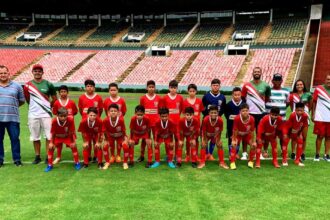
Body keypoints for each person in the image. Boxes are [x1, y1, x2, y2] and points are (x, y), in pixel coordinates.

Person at [23, 64, 57, 164]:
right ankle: (37, 156)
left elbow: (54, 98)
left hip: (46, 114)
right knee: (35, 136)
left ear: (42, 72)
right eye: (35, 71)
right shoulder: (27, 85)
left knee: (48, 136)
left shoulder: (48, 84)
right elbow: (27, 99)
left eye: (39, 71)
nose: (37, 72)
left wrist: (47, 106)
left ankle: (48, 155)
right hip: (33, 115)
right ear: (32, 72)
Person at [241, 67, 271, 160]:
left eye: (258, 71)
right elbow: (243, 98)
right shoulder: (246, 85)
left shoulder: (266, 86)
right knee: (246, 133)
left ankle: (259, 152)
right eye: (255, 72)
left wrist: (260, 106)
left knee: (260, 134)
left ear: (261, 73)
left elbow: (267, 99)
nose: (257, 73)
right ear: (252, 73)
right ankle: (245, 153)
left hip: (261, 113)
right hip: (249, 114)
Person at [0, 65, 25, 167]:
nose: (3, 75)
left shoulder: (17, 86)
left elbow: (22, 100)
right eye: (1, 73)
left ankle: (17, 159)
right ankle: (0, 160)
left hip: (13, 118)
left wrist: (12, 106)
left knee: (15, 139)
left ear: (9, 73)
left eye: (5, 73)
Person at [45, 107, 81, 172]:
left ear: (67, 115)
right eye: (61, 116)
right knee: (50, 148)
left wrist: (72, 142)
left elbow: (71, 132)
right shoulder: (54, 121)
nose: (63, 118)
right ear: (57, 115)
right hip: (57, 137)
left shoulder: (70, 120)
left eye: (65, 116)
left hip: (67, 137)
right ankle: (50, 165)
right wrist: (51, 142)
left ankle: (77, 163)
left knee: (74, 146)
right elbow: (53, 132)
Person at [264, 73, 289, 158]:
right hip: (270, 119)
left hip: (282, 118)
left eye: (279, 80)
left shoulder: (286, 91)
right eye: (275, 80)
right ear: (272, 81)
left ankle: (283, 150)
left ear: (281, 81)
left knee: (282, 135)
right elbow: (265, 101)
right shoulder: (268, 91)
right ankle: (265, 151)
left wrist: (281, 109)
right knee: (268, 135)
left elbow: (287, 103)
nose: (277, 81)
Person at [78, 79, 103, 163]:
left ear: (94, 87)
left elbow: (101, 110)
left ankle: (96, 156)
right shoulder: (81, 97)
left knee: (95, 139)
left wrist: (96, 118)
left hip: (96, 123)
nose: (89, 88)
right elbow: (81, 110)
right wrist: (86, 118)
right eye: (88, 86)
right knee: (87, 139)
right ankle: (88, 156)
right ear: (85, 87)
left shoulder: (98, 97)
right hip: (86, 123)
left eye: (91, 86)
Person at [52, 85, 78, 164]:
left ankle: (75, 158)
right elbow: (55, 113)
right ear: (59, 93)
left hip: (69, 127)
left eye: (64, 91)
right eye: (61, 92)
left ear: (67, 92)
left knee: (72, 142)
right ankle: (58, 157)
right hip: (60, 127)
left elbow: (75, 112)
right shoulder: (56, 102)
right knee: (59, 143)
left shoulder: (72, 102)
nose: (63, 93)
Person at [202, 78, 226, 161]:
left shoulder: (222, 97)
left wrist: (218, 117)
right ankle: (206, 153)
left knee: (214, 137)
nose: (215, 87)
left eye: (217, 85)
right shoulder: (206, 96)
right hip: (207, 120)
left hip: (216, 121)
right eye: (214, 85)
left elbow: (223, 108)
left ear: (219, 86)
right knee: (205, 137)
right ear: (211, 86)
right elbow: (203, 108)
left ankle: (210, 154)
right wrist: (207, 116)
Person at [198, 105, 228, 169]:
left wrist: (218, 140)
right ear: (209, 113)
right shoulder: (205, 119)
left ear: (218, 113)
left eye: (215, 112)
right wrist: (205, 140)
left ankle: (222, 162)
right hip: (206, 135)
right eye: (212, 112)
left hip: (215, 135)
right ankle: (202, 162)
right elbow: (204, 131)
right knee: (203, 145)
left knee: (220, 145)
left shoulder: (220, 120)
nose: (213, 114)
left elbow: (220, 131)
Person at [103, 82, 127, 163]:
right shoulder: (106, 101)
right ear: (109, 91)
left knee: (119, 140)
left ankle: (119, 155)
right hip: (110, 123)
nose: (113, 92)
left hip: (119, 123)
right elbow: (106, 112)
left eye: (114, 90)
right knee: (111, 141)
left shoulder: (122, 100)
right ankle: (112, 155)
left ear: (117, 90)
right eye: (111, 90)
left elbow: (123, 112)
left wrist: (118, 118)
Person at [289, 79, 312, 160]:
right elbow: (292, 107)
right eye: (297, 84)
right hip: (295, 118)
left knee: (304, 137)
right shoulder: (292, 95)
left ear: (304, 85)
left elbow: (311, 105)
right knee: (294, 136)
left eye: (301, 84)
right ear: (295, 86)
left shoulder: (308, 95)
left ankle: (303, 153)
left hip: (305, 118)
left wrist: (306, 113)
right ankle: (293, 152)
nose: (299, 86)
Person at [139, 80, 161, 162]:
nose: (151, 89)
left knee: (156, 139)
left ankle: (156, 156)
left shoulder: (158, 98)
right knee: (145, 139)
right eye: (149, 87)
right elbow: (140, 111)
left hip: (155, 123)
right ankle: (141, 155)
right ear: (146, 88)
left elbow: (160, 111)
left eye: (152, 87)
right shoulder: (143, 98)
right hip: (146, 123)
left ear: (155, 88)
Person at [102, 104, 129, 170]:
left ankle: (124, 162)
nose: (113, 112)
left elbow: (123, 131)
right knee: (105, 146)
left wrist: (125, 139)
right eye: (111, 111)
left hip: (120, 136)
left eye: (115, 111)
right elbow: (104, 131)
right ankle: (108, 161)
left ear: (118, 112)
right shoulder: (105, 120)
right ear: (108, 113)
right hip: (110, 136)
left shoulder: (121, 120)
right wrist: (105, 139)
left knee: (125, 145)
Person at [162, 80, 183, 161]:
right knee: (168, 139)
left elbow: (180, 110)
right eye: (171, 88)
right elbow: (163, 111)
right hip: (168, 123)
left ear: (177, 88)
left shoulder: (180, 98)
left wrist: (176, 117)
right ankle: (168, 154)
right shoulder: (165, 98)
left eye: (175, 88)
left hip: (177, 123)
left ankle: (177, 154)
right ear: (169, 88)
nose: (173, 89)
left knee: (177, 139)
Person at [182, 83, 204, 162]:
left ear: (196, 92)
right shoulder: (184, 102)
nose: (192, 93)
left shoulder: (199, 101)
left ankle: (195, 155)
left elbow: (200, 113)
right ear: (188, 92)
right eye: (190, 91)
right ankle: (188, 155)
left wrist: (199, 123)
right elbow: (184, 114)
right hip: (187, 125)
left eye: (193, 91)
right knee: (188, 140)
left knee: (196, 140)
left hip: (196, 125)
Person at [231, 104, 256, 169]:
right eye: (243, 111)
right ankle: (232, 163)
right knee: (234, 144)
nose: (245, 112)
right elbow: (235, 130)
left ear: (249, 111)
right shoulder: (237, 118)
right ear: (240, 112)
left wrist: (253, 141)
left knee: (253, 145)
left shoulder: (252, 119)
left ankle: (251, 161)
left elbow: (252, 131)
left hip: (247, 135)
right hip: (238, 135)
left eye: (246, 110)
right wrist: (234, 140)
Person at [282, 102, 309, 166]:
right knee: (285, 143)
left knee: (300, 141)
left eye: (301, 110)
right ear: (295, 110)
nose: (299, 112)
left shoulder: (305, 116)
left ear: (304, 110)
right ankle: (284, 160)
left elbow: (303, 125)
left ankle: (297, 160)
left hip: (296, 132)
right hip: (288, 132)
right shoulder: (292, 115)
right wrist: (285, 134)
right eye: (298, 110)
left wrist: (299, 133)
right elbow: (286, 126)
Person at [312, 74, 330, 162]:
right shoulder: (319, 89)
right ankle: (317, 154)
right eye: (328, 79)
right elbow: (314, 102)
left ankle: (327, 154)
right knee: (320, 136)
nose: (329, 81)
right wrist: (313, 114)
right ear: (325, 80)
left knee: (329, 137)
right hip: (320, 117)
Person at [224, 87, 245, 160]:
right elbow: (227, 116)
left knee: (238, 139)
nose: (237, 96)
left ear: (241, 95)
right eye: (235, 95)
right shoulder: (229, 104)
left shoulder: (243, 103)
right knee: (231, 139)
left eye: (238, 95)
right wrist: (238, 117)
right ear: (232, 95)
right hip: (231, 126)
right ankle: (231, 153)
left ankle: (236, 153)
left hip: (241, 126)